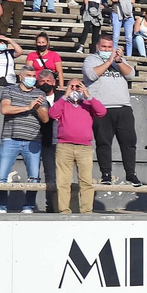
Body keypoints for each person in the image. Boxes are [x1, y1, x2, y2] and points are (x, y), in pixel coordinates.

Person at [82, 37, 140, 186]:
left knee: (129, 142)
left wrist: (119, 61)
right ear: (97, 46)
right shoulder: (91, 60)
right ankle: (106, 174)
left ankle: (131, 174)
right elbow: (91, 75)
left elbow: (131, 75)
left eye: (109, 47)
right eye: (104, 47)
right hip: (102, 107)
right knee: (103, 143)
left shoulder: (119, 60)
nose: (107, 50)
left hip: (123, 106)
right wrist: (108, 62)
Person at [0, 67, 49, 214]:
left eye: (33, 75)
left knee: (34, 177)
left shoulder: (40, 93)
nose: (32, 78)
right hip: (10, 138)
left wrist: (37, 108)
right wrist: (28, 107)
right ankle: (1, 207)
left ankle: (28, 207)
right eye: (28, 75)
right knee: (1, 176)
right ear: (21, 77)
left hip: (33, 140)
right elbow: (5, 109)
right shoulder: (10, 90)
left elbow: (45, 119)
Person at [50, 75, 106, 213]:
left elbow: (102, 111)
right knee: (63, 182)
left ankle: (86, 211)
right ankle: (64, 210)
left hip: (84, 148)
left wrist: (88, 95)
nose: (75, 89)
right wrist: (65, 95)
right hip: (64, 146)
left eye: (78, 86)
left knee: (86, 181)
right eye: (72, 86)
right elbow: (52, 114)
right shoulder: (63, 103)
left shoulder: (88, 104)